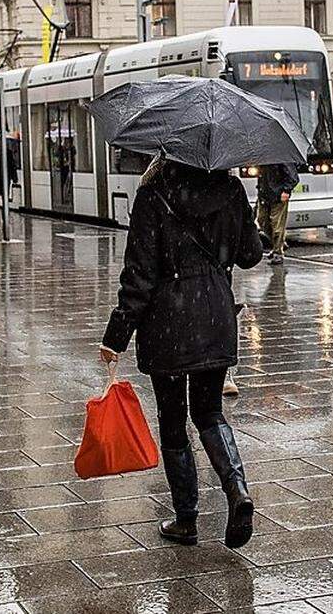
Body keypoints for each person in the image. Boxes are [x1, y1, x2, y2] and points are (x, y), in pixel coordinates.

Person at [99, 159, 264, 548]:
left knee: (173, 422)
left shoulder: (152, 195)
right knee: (209, 412)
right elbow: (251, 255)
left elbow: (139, 275)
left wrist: (116, 335)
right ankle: (236, 490)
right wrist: (243, 219)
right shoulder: (231, 190)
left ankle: (186, 520)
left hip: (168, 326)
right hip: (215, 319)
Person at [256, 161, 299, 265]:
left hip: (278, 196)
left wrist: (286, 191)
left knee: (277, 225)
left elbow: (293, 177)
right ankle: (279, 244)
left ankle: (278, 252)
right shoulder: (263, 156)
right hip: (264, 195)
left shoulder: (280, 156)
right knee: (262, 221)